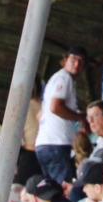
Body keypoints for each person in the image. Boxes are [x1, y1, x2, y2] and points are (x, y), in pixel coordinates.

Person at [34, 46, 86, 187]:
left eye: (80, 61)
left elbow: (40, 115)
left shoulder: (55, 79)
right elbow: (55, 107)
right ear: (64, 61)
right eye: (73, 59)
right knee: (64, 189)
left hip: (44, 144)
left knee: (53, 189)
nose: (76, 64)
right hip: (56, 143)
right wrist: (79, 118)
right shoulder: (64, 78)